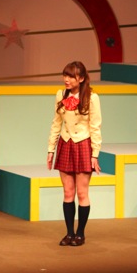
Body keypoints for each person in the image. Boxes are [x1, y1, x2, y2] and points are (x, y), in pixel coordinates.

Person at [47, 61, 102, 247]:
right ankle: (69, 233)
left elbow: (95, 127)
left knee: (82, 192)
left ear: (81, 78)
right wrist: (51, 149)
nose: (66, 80)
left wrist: (95, 154)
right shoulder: (60, 95)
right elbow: (56, 123)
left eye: (71, 76)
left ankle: (80, 233)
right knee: (68, 192)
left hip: (83, 144)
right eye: (65, 76)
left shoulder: (92, 97)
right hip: (66, 143)